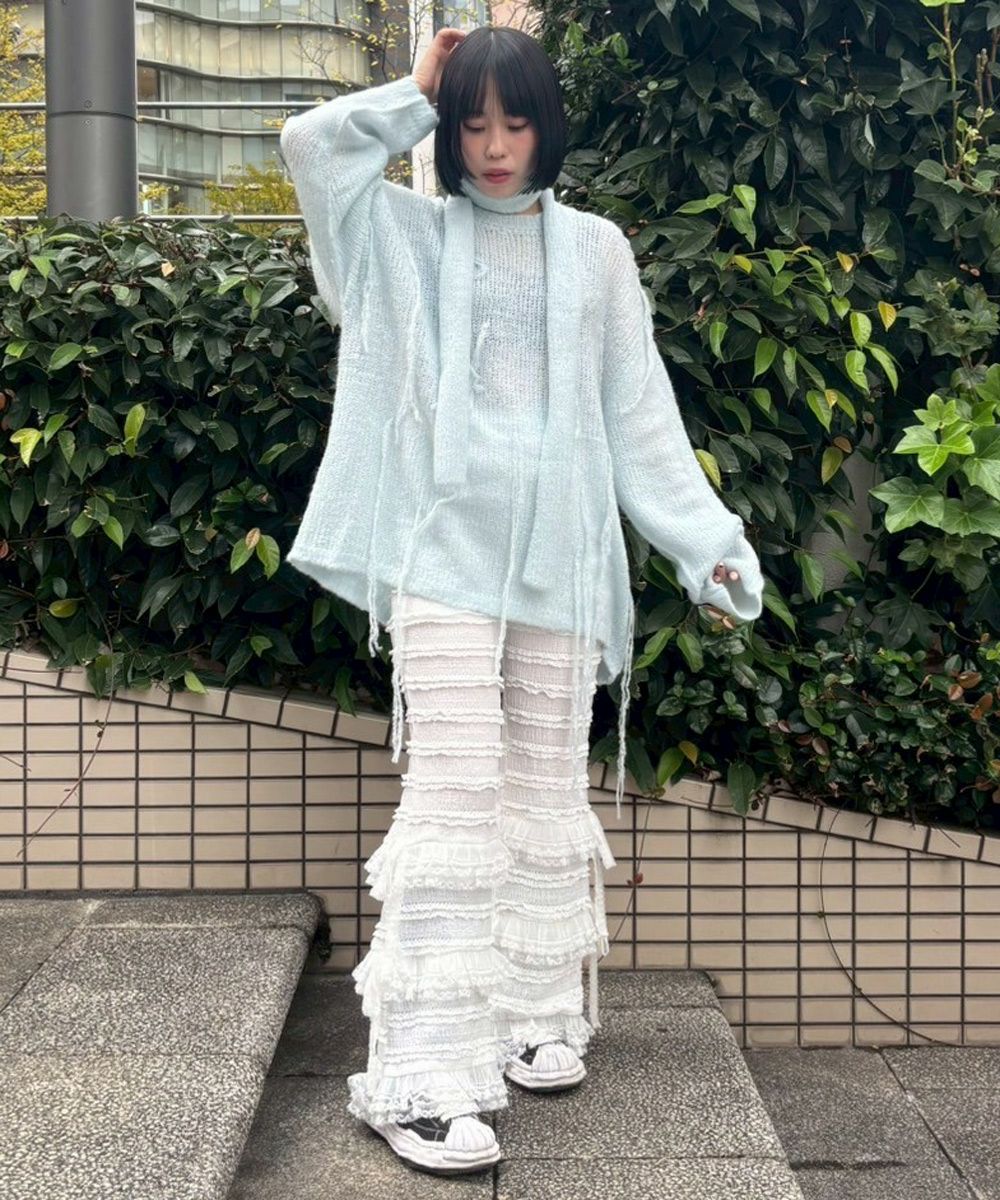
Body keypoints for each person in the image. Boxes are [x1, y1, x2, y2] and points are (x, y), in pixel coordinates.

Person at [279, 23, 764, 1175]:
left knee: (543, 785)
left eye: (515, 121)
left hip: (562, 560)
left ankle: (534, 1010)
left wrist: (705, 543)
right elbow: (311, 146)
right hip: (442, 559)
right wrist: (417, 89)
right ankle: (422, 1078)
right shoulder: (398, 234)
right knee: (454, 796)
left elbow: (636, 410)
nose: (494, 146)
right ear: (446, 132)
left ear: (549, 126)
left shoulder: (597, 250)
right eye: (471, 123)